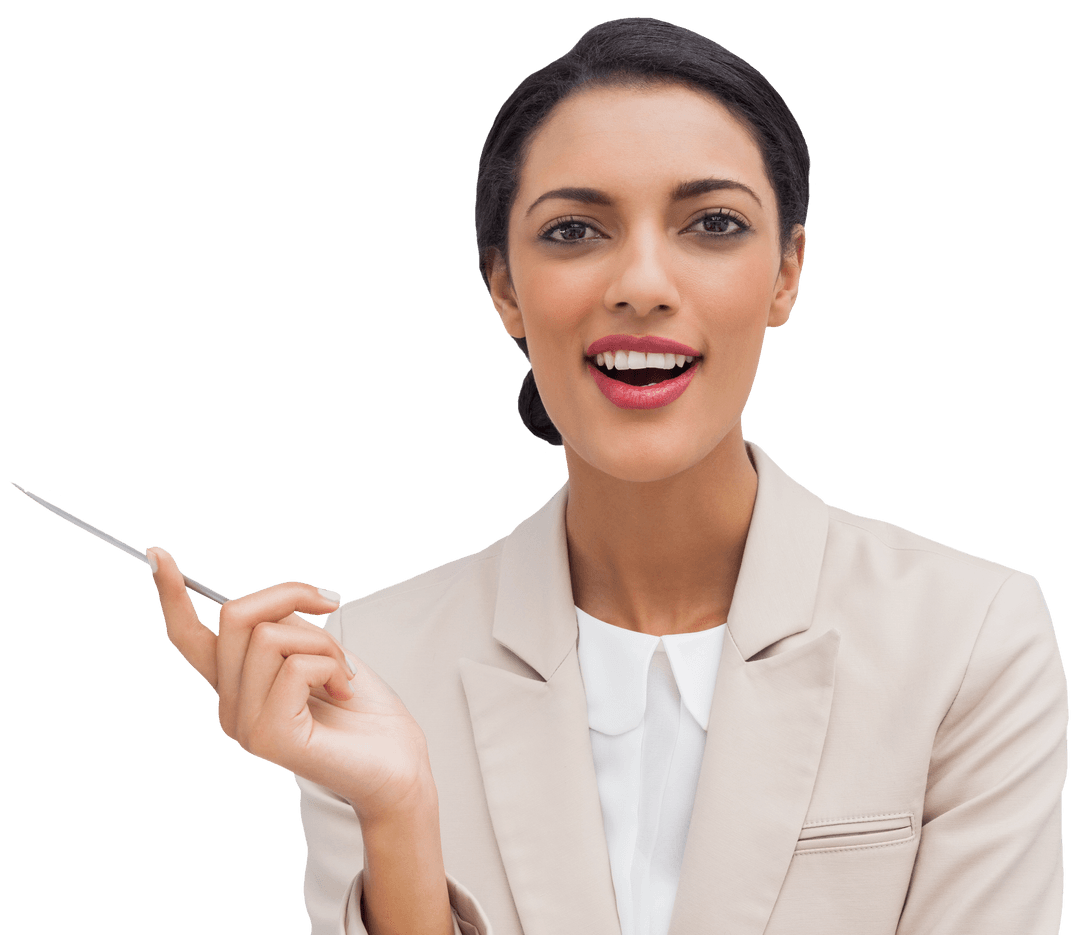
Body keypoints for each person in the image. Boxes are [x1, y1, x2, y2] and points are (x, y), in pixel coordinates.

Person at [148, 16, 1067, 935]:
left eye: (713, 224)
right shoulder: (370, 664)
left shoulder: (971, 639)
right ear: (503, 287)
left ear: (787, 270)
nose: (641, 282)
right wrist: (397, 820)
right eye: (575, 230)